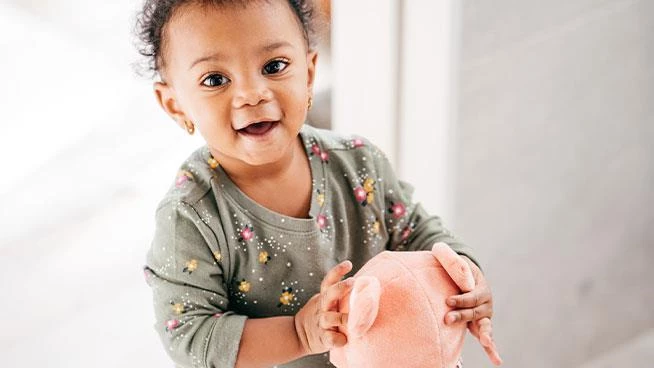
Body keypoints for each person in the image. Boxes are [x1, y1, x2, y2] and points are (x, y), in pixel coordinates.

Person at [135, 0, 502, 367]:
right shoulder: (191, 217)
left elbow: (416, 231)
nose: (252, 93)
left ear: (308, 74)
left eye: (273, 66)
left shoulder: (357, 163)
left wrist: (465, 275)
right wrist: (299, 333)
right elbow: (190, 335)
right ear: (175, 105)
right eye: (216, 80)